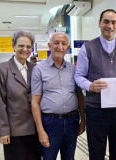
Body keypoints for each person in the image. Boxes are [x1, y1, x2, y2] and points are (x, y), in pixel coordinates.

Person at [74, 9, 116, 160]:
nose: (109, 25)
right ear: (99, 23)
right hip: (96, 110)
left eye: (113, 22)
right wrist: (89, 85)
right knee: (96, 153)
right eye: (106, 21)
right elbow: (78, 75)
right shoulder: (88, 48)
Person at [31, 32, 85, 160]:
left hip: (72, 121)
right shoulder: (39, 70)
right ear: (50, 45)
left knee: (69, 157)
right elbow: (34, 102)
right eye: (56, 43)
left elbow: (80, 96)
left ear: (68, 48)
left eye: (63, 44)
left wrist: (83, 120)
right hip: (50, 123)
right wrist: (40, 130)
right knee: (48, 157)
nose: (59, 46)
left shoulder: (74, 69)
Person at [0, 30, 41, 160]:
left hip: (36, 129)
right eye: (21, 45)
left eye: (28, 46)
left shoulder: (35, 68)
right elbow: (0, 102)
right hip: (15, 131)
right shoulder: (2, 69)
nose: (25, 49)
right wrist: (3, 131)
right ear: (13, 46)